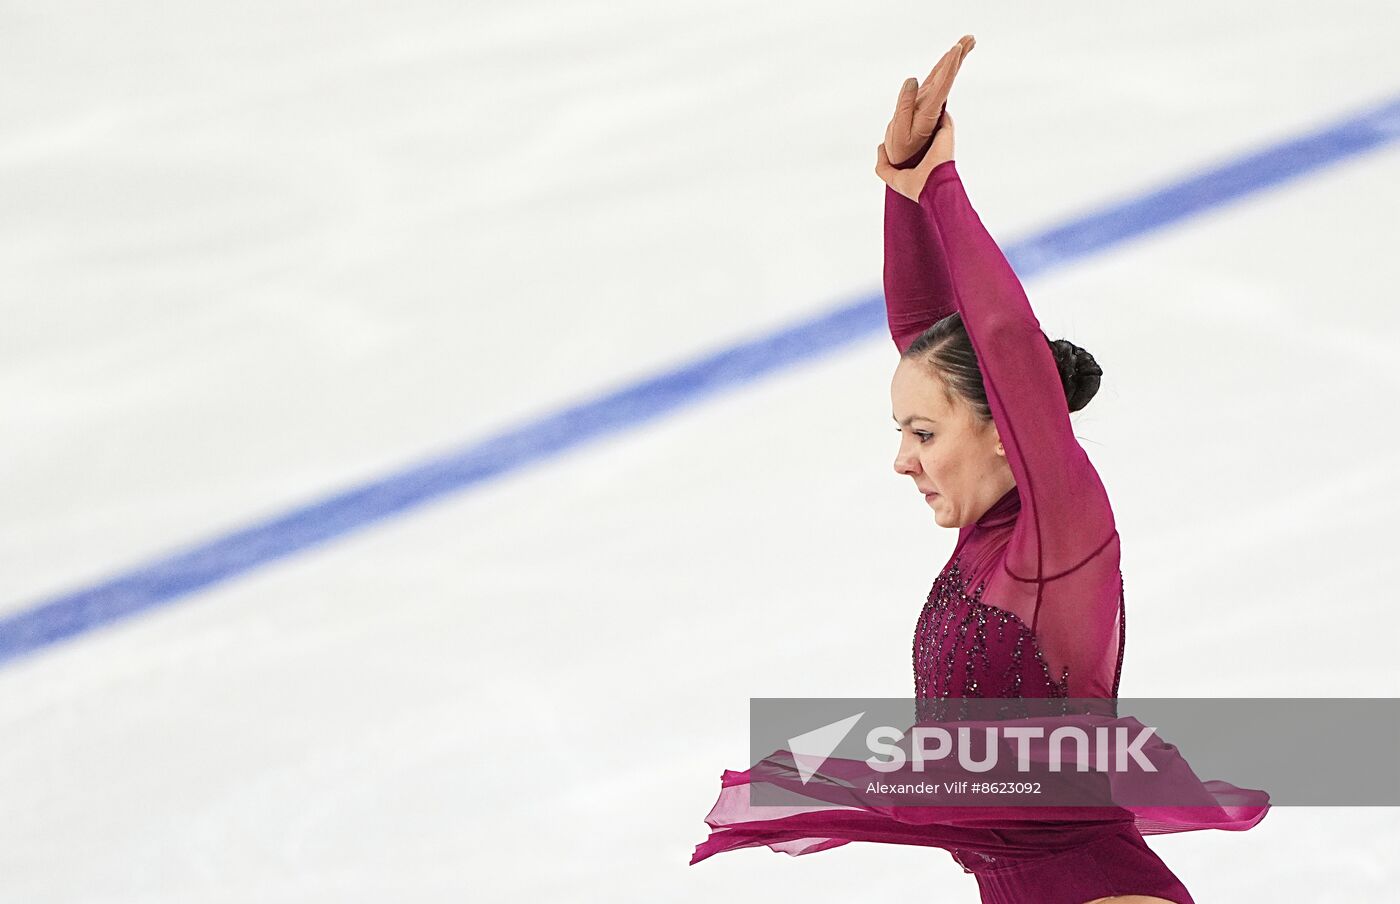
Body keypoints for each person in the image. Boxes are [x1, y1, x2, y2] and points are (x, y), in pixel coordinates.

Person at [690, 36, 1267, 904]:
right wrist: (903, 191)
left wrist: (946, 188)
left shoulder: (1060, 536)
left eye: (922, 433)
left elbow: (998, 342)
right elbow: (934, 336)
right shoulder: (988, 539)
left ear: (1005, 425)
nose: (900, 460)